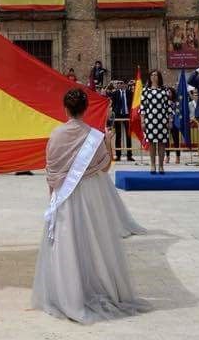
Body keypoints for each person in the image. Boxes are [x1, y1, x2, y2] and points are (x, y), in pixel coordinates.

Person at [31, 88, 150, 323]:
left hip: (65, 197)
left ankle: (67, 294)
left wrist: (53, 197)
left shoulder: (56, 135)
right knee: (93, 243)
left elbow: (52, 172)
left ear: (65, 108)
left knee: (67, 244)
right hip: (89, 197)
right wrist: (109, 143)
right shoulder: (94, 136)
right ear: (85, 109)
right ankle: (94, 288)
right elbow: (105, 167)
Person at [140, 70, 171, 174]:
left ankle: (161, 166)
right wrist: (142, 121)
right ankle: (153, 165)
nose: (154, 77)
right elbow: (142, 107)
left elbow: (168, 106)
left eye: (156, 75)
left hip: (162, 119)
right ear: (149, 77)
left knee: (162, 143)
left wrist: (169, 120)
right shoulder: (145, 90)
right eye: (152, 75)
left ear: (159, 77)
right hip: (150, 120)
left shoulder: (164, 90)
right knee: (152, 143)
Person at [110, 81, 135, 162]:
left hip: (127, 115)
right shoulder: (115, 93)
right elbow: (112, 104)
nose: (120, 85)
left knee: (128, 135)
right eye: (118, 83)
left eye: (121, 83)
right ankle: (118, 155)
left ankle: (129, 155)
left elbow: (132, 103)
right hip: (118, 115)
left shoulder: (129, 93)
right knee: (118, 135)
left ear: (125, 85)